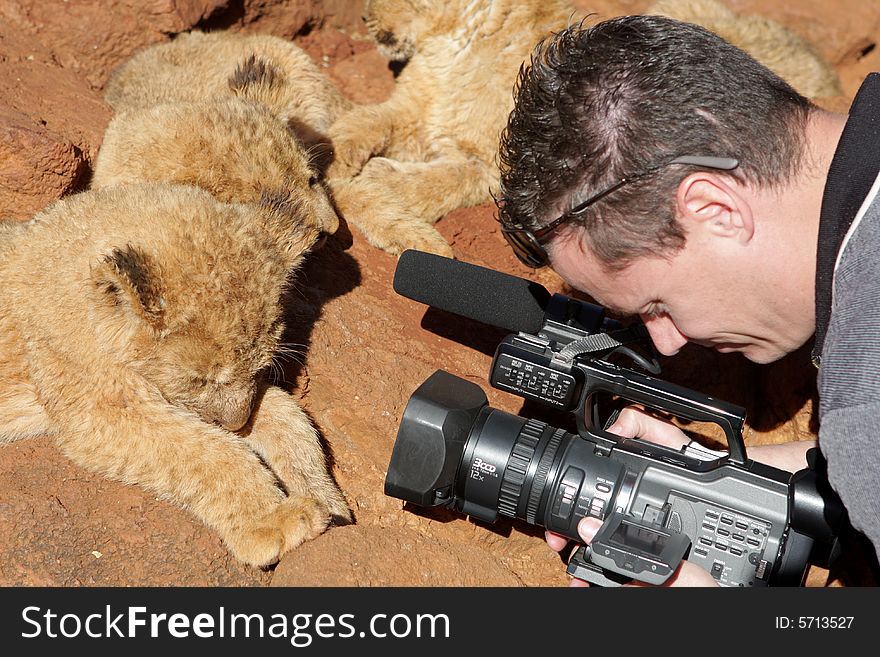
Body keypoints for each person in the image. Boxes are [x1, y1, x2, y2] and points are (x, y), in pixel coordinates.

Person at [495, 14, 880, 586]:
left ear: (714, 210)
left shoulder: (864, 387)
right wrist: (715, 479)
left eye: (656, 305)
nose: (667, 340)